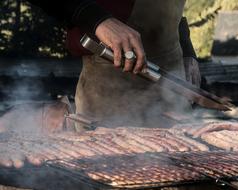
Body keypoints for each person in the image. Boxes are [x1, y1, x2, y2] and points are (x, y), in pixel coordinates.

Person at [25, 0, 201, 130]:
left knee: (187, 158)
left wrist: (186, 46)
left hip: (173, 83)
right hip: (111, 83)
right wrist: (97, 20)